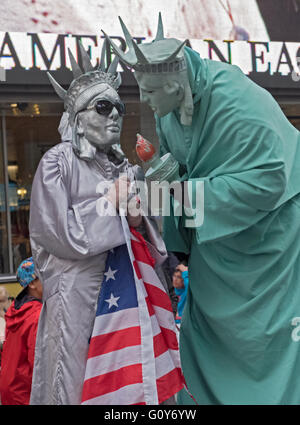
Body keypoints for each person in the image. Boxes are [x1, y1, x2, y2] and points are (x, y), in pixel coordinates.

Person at [104, 14, 300, 404]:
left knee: (264, 342)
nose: (143, 99)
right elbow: (176, 178)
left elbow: (269, 179)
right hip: (213, 248)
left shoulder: (239, 101)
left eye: (149, 91)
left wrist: (178, 191)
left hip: (266, 242)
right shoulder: (170, 109)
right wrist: (146, 201)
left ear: (175, 84)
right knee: (203, 336)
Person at [29, 41, 177, 405]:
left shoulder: (126, 168)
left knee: (130, 380)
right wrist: (109, 202)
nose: (115, 115)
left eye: (119, 108)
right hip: (78, 299)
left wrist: (139, 220)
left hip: (126, 294)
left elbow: (153, 245)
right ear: (78, 117)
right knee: (76, 384)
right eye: (103, 106)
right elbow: (58, 235)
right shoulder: (56, 163)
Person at [0, 257, 43, 405]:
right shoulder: (37, 316)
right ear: (32, 283)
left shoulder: (15, 309)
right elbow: (38, 362)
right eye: (44, 275)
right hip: (25, 393)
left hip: (10, 389)